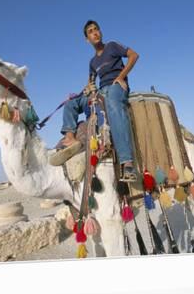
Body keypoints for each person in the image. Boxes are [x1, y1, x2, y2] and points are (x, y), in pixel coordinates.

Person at [51, 20, 139, 181]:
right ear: (87, 39)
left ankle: (127, 163)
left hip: (116, 87)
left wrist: (121, 77)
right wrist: (87, 89)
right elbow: (90, 81)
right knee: (72, 102)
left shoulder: (112, 46)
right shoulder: (92, 62)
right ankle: (70, 138)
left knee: (113, 104)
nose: (95, 33)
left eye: (96, 29)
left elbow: (134, 55)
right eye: (91, 31)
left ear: (101, 32)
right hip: (101, 91)